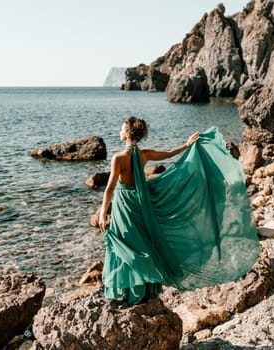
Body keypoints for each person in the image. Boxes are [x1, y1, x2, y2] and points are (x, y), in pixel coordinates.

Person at [99, 116, 260, 305]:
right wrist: (186, 146)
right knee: (142, 242)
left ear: (126, 135)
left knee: (125, 243)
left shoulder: (118, 158)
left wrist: (103, 213)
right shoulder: (145, 154)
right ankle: (144, 288)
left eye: (121, 130)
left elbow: (110, 188)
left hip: (124, 204)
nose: (118, 132)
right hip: (142, 204)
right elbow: (169, 154)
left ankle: (129, 290)